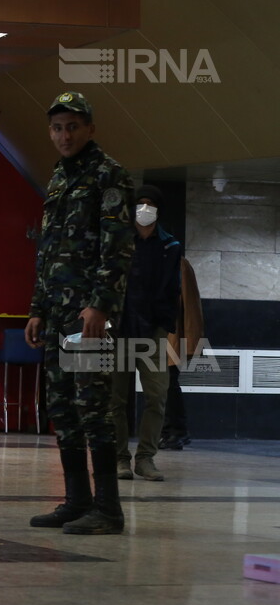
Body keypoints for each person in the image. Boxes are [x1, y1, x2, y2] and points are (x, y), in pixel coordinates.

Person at [26, 91, 134, 535]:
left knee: (93, 407)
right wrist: (37, 309)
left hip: (90, 317)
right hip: (56, 315)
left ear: (90, 128)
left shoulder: (109, 176)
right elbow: (48, 250)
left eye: (72, 126)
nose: (64, 135)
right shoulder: (58, 178)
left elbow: (118, 248)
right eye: (57, 127)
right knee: (62, 407)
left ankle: (108, 508)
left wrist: (100, 307)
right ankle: (77, 501)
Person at [110, 185, 181, 482]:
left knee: (157, 395)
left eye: (150, 204)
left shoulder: (170, 245)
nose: (144, 208)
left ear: (159, 210)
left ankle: (146, 458)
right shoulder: (118, 241)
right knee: (115, 399)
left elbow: (172, 289)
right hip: (119, 328)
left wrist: (166, 327)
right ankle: (119, 458)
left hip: (153, 331)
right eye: (140, 203)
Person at [161, 255, 203, 451]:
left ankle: (175, 431)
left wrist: (191, 338)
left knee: (167, 381)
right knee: (163, 383)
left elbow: (189, 301)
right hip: (155, 328)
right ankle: (171, 431)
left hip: (167, 329)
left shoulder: (177, 262)